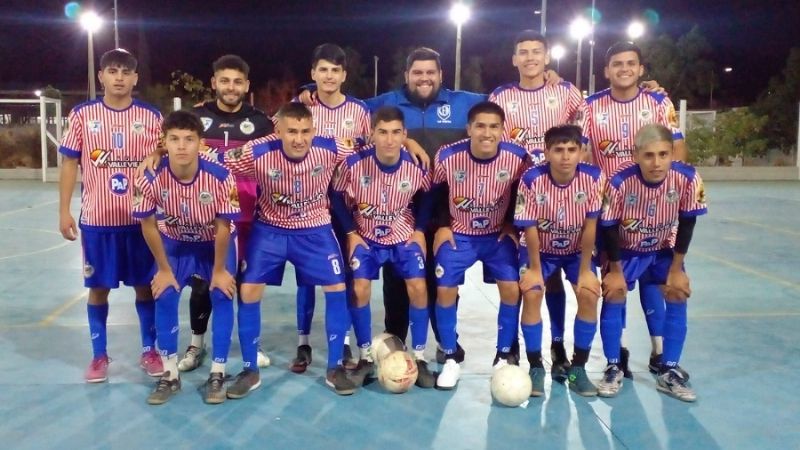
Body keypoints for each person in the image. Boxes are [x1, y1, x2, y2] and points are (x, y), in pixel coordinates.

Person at [219, 103, 357, 396]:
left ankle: (334, 368)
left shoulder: (331, 148)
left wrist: (407, 143)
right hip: (270, 230)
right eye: (291, 131)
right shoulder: (256, 152)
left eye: (305, 131)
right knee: (248, 291)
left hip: (315, 230)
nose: (299, 139)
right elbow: (216, 159)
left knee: (337, 288)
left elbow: (369, 146)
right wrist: (159, 154)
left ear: (314, 131)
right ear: (278, 130)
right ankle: (250, 370)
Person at [580, 41, 689, 378]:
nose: (624, 69)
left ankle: (659, 351)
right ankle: (620, 352)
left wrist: (671, 195)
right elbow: (583, 155)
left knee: (657, 282)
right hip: (613, 214)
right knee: (616, 283)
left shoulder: (658, 102)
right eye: (617, 64)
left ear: (641, 69)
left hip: (656, 212)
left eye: (631, 63)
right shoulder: (590, 106)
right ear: (606, 71)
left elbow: (678, 150)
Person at [58, 48, 164, 383]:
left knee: (145, 287)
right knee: (98, 288)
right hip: (98, 222)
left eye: (125, 72)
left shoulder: (151, 117)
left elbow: (166, 157)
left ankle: (150, 350)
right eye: (112, 71)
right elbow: (70, 162)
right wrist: (63, 211)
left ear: (135, 78)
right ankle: (99, 356)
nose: (119, 77)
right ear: (101, 76)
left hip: (140, 222)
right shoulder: (81, 115)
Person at [489, 30, 586, 379]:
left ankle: (557, 342)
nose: (530, 58)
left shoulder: (566, 92)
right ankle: (512, 343)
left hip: (563, 194)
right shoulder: (500, 96)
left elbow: (584, 128)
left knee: (556, 274)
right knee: (523, 278)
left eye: (536, 52)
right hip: (517, 195)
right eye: (523, 52)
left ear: (547, 58)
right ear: (514, 59)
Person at [132, 111, 239, 405]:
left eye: (189, 139)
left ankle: (217, 372)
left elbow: (223, 226)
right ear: (164, 142)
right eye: (174, 139)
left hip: (211, 243)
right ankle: (170, 375)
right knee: (164, 294)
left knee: (222, 293)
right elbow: (147, 224)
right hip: (175, 243)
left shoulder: (220, 176)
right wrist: (164, 269)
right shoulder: (149, 176)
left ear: (200, 143)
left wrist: (218, 271)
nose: (181, 146)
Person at [596, 123, 706, 402]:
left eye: (663, 154)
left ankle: (668, 370)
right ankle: (613, 365)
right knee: (615, 292)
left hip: (661, 248)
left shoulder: (688, 178)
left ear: (672, 154)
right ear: (636, 155)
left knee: (678, 291)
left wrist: (677, 268)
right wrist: (616, 272)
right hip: (625, 248)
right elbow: (608, 227)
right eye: (649, 156)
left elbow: (687, 223)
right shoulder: (619, 182)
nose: (656, 163)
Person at [179, 55, 274, 373]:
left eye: (237, 81)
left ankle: (251, 341)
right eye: (225, 80)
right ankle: (196, 343)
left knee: (247, 281)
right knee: (202, 283)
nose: (231, 87)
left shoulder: (261, 123)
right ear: (214, 83)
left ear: (246, 85)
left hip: (247, 217)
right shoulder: (195, 118)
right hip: (203, 218)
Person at [330, 106, 436, 388]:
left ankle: (420, 356)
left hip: (403, 236)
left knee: (418, 287)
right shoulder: (353, 163)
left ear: (405, 135)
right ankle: (365, 356)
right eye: (383, 133)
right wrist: (351, 232)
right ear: (372, 134)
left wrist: (420, 231)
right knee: (360, 287)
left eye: (396, 133)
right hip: (366, 236)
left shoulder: (417, 164)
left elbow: (428, 196)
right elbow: (336, 194)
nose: (389, 140)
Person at [431, 102, 529, 389]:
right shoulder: (448, 156)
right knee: (446, 288)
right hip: (459, 234)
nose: (487, 133)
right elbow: (437, 191)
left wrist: (512, 223)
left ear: (502, 130)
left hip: (497, 235)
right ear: (469, 128)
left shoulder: (517, 158)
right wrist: (442, 225)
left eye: (494, 126)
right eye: (481, 126)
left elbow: (523, 193)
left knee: (512, 288)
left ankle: (503, 356)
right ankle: (450, 356)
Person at [290, 43, 371, 373]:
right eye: (322, 70)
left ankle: (346, 341)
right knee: (306, 279)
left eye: (335, 70)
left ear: (344, 75)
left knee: (348, 277)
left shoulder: (360, 111)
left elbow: (369, 151)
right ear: (313, 74)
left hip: (347, 205)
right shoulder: (302, 107)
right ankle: (303, 343)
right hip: (310, 205)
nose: (328, 76)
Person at [512, 124, 604, 397]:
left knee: (588, 293)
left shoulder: (594, 177)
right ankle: (536, 366)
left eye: (572, 150)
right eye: (559, 150)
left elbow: (590, 227)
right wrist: (536, 270)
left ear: (581, 152)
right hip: (539, 249)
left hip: (577, 251)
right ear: (546, 152)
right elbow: (529, 228)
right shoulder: (531, 179)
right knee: (532, 292)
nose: (565, 157)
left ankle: (578, 368)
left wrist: (586, 270)